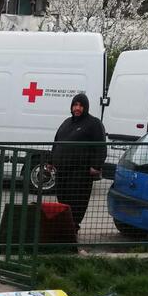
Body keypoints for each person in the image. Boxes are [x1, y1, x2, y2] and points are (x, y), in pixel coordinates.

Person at [50, 93, 107, 233]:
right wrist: (51, 161)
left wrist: (96, 166)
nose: (77, 108)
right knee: (62, 200)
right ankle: (64, 228)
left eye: (81, 105)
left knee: (76, 202)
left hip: (80, 172)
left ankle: (73, 228)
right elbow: (56, 142)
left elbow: (100, 146)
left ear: (85, 107)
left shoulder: (94, 123)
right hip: (62, 171)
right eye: (75, 105)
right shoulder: (66, 123)